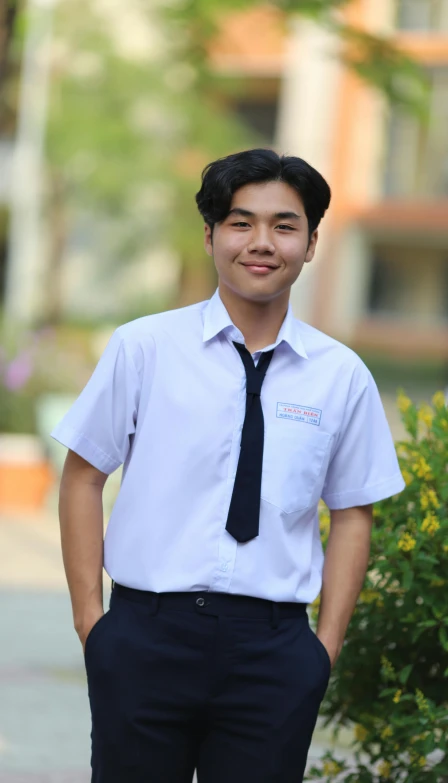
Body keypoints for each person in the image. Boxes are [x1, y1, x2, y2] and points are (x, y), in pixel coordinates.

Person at [51, 148, 405, 783]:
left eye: (284, 225)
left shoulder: (341, 375)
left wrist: (322, 651)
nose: (261, 243)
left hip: (274, 650)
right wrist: (91, 622)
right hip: (145, 634)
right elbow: (83, 475)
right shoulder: (145, 348)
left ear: (313, 242)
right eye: (241, 223)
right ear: (211, 235)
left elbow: (354, 514)